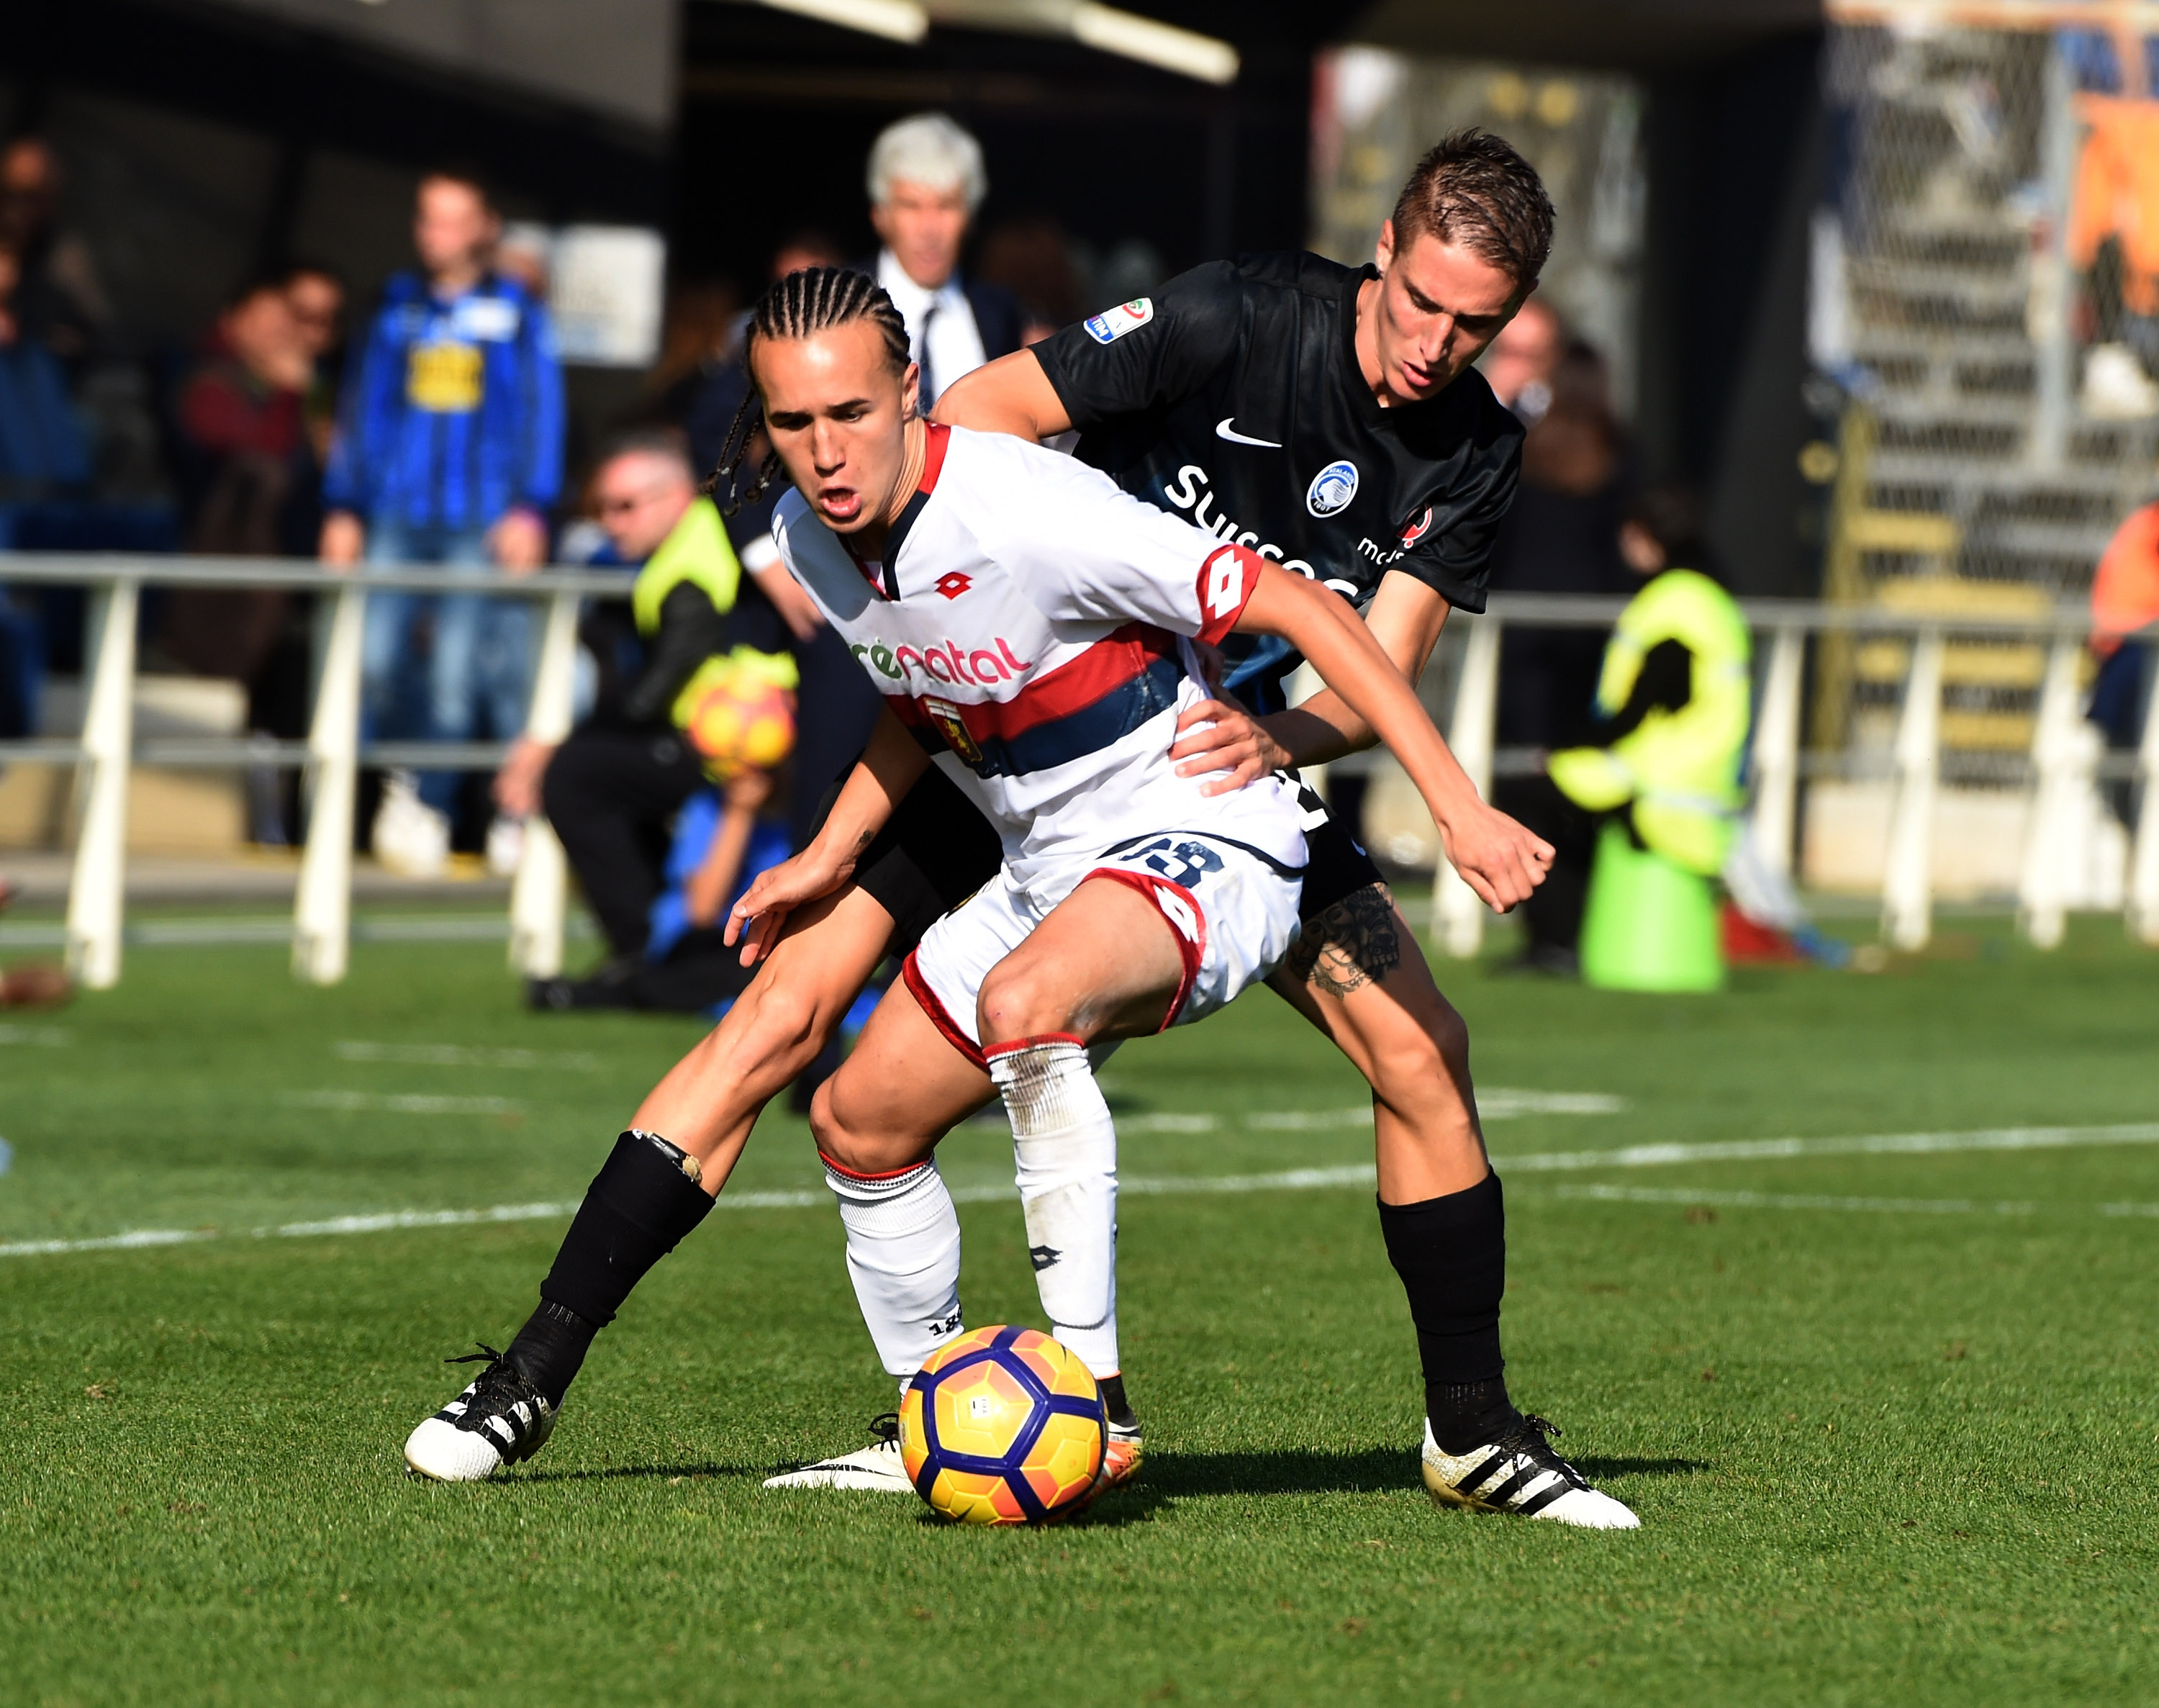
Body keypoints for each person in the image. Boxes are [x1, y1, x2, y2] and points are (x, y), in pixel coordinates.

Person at [400, 135, 1643, 1529]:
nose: (1438, 344)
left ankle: (1468, 1430)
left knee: (1423, 1050)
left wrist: (1276, 739)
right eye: (1422, 301)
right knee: (780, 1020)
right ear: (1383, 252)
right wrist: (979, 598)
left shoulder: (1472, 445)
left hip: (1189, 769)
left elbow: (1376, 656)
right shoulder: (1234, 315)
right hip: (992, 726)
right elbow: (976, 417)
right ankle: (536, 1372)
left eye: (1478, 324)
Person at [501, 430, 800, 1012]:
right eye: (601, 509)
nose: (611, 523)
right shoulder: (686, 545)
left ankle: (645, 952)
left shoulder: (695, 557)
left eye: (626, 506)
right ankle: (656, 949)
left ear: (677, 495)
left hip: (754, 738)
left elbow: (655, 691)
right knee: (598, 770)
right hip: (727, 737)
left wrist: (550, 745)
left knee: (577, 773)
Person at [320, 166, 566, 867]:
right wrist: (344, 504)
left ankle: (436, 804)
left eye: (455, 219)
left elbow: (542, 416)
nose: (439, 234)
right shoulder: (396, 308)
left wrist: (530, 508)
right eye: (429, 218)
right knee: (373, 660)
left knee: (460, 670)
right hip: (396, 513)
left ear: (485, 227)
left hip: (480, 518)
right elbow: (361, 409)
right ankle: (403, 783)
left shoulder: (518, 313)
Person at [1484, 338, 1637, 973]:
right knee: (1580, 781)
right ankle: (1572, 931)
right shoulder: (1621, 453)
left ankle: (1543, 932)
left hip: (1521, 639)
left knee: (1523, 778)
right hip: (1595, 643)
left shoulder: (1522, 443)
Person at [1542, 484, 1751, 908]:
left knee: (1533, 797)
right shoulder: (1712, 599)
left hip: (1658, 780)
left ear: (1643, 534)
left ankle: (1556, 941)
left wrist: (1573, 745)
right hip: (1707, 782)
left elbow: (1643, 706)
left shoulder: (1672, 602)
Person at [861, 114, 1023, 410]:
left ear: (970, 217)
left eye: (946, 205)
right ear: (879, 215)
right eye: (911, 206)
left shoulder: (999, 311)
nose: (929, 228)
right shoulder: (841, 305)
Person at [0, 243, 90, 494]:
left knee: (39, 363)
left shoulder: (29, 301)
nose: (7, 272)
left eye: (10, 264)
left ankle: (63, 472)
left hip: (30, 373)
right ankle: (26, 473)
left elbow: (73, 330)